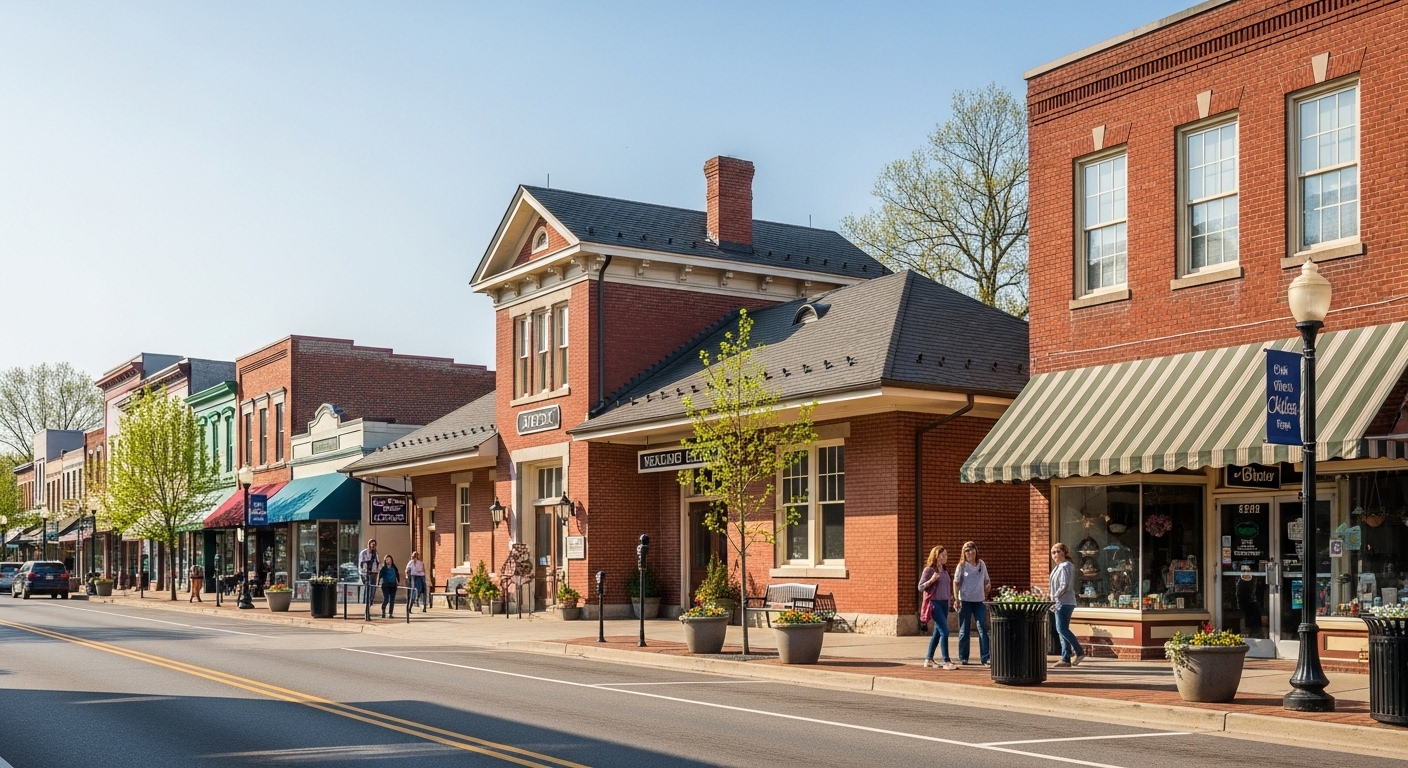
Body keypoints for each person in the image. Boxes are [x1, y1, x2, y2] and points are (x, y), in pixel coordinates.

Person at [954, 540, 991, 666]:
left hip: (979, 601)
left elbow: (987, 580)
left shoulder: (981, 564)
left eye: (972, 550)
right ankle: (963, 657)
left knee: (982, 629)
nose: (970, 553)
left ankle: (986, 657)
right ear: (964, 553)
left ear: (976, 551)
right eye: (967, 551)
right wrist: (956, 598)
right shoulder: (962, 566)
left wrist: (987, 586)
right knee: (964, 630)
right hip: (965, 601)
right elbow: (956, 582)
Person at [1048, 542, 1085, 667]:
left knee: (1061, 629)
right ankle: (1065, 658)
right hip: (1058, 603)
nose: (1055, 554)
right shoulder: (1057, 568)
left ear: (1064, 553)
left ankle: (1079, 651)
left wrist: (1054, 596)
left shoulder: (1066, 566)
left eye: (1058, 551)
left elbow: (1065, 586)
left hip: (1065, 602)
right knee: (1061, 630)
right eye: (1053, 552)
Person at [919, 546, 955, 670]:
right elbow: (920, 587)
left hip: (945, 603)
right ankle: (947, 661)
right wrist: (931, 580)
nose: (945, 557)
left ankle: (929, 659)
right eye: (943, 555)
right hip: (934, 603)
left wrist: (952, 600)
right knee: (945, 631)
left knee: (937, 633)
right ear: (936, 556)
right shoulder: (929, 570)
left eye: (946, 555)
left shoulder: (945, 570)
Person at [358, 539, 379, 617]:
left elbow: (377, 562)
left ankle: (369, 604)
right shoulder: (363, 553)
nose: (373, 546)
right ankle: (366, 610)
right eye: (371, 544)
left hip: (374, 573)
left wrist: (376, 569)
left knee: (373, 590)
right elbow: (361, 564)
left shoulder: (375, 553)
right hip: (366, 574)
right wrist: (363, 573)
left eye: (374, 544)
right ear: (369, 544)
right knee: (368, 590)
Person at [378, 554, 400, 619]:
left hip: (393, 585)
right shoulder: (383, 568)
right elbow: (380, 576)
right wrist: (378, 582)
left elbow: (397, 575)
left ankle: (390, 613)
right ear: (385, 560)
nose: (388, 560)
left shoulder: (394, 567)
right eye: (387, 559)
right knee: (386, 599)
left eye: (389, 559)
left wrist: (398, 581)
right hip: (385, 585)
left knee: (392, 600)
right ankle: (383, 610)